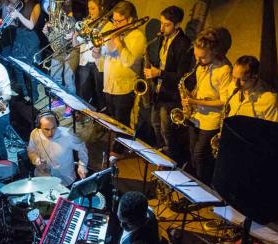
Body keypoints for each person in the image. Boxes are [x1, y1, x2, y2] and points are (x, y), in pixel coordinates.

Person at [94, 0, 146, 157]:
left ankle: (119, 151)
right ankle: (115, 146)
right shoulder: (115, 33)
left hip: (124, 87)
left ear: (130, 19)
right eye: (114, 20)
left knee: (122, 123)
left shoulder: (137, 37)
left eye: (119, 21)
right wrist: (97, 56)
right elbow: (103, 63)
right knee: (112, 120)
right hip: (109, 84)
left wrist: (117, 41)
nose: (115, 24)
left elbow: (128, 61)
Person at [182, 27, 232, 185]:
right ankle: (196, 182)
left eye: (202, 57)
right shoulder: (201, 66)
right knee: (192, 151)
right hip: (196, 116)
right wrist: (190, 97)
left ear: (214, 51)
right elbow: (202, 88)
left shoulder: (224, 70)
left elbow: (224, 101)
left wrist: (196, 102)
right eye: (196, 57)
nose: (198, 61)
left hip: (211, 120)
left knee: (200, 154)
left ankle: (204, 186)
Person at [143, 5, 192, 166]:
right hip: (158, 92)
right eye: (162, 23)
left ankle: (172, 163)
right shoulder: (162, 39)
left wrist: (159, 74)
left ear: (177, 25)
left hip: (171, 95)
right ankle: (161, 155)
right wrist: (150, 71)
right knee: (155, 125)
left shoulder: (184, 44)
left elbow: (181, 77)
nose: (162, 28)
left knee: (167, 131)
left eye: (167, 24)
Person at [27, 111, 88, 186]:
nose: (50, 133)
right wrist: (35, 160)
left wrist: (82, 165)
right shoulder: (35, 134)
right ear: (39, 126)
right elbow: (31, 150)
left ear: (57, 124)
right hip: (43, 178)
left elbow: (82, 148)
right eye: (46, 129)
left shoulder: (68, 135)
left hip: (65, 181)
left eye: (53, 128)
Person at [226, 55, 278, 122]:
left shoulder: (271, 101)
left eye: (242, 80)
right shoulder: (232, 86)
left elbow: (274, 130)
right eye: (234, 77)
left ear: (255, 77)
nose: (236, 84)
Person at [75, 0, 106, 111]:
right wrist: (75, 36)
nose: (90, 11)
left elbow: (105, 47)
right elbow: (76, 45)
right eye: (89, 8)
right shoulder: (85, 23)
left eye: (93, 8)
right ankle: (86, 113)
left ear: (101, 9)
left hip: (99, 64)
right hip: (85, 62)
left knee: (100, 92)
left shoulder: (107, 24)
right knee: (84, 90)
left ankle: (102, 115)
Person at [10, 0, 41, 103]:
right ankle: (24, 94)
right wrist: (12, 17)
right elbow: (17, 24)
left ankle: (34, 95)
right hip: (20, 36)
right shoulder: (20, 4)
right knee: (17, 67)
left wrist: (18, 14)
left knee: (30, 70)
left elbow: (31, 25)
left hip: (30, 39)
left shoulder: (36, 5)